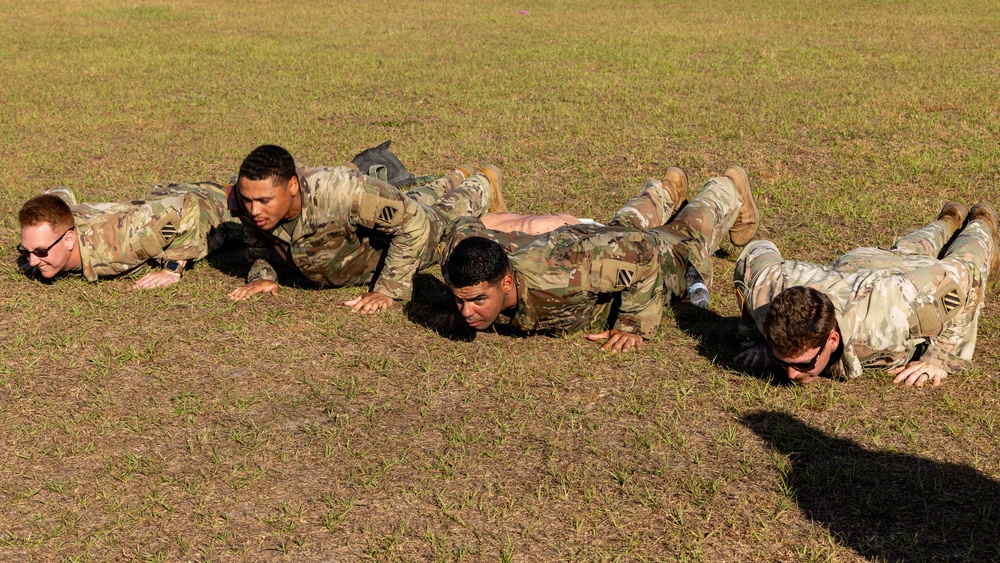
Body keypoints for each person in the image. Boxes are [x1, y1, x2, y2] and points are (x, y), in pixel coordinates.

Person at [439, 166, 760, 351]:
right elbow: (458, 229)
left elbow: (644, 254)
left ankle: (728, 186)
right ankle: (666, 190)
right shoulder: (461, 262)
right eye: (460, 300)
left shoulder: (562, 275)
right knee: (621, 228)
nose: (467, 311)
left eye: (478, 299)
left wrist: (633, 323)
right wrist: (461, 300)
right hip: (597, 244)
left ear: (506, 282)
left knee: (687, 234)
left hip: (652, 257)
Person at [733, 201, 998, 387]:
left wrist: (940, 358)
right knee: (905, 251)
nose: (790, 375)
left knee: (961, 255)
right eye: (783, 362)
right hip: (859, 263)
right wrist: (755, 337)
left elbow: (967, 275)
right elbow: (756, 251)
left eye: (803, 364)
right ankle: (948, 221)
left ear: (832, 340)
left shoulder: (895, 312)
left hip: (902, 281)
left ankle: (980, 221)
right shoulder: (765, 295)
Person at [226, 144, 506, 314]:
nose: (254, 211)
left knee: (439, 216)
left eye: (264, 202)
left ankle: (482, 182)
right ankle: (455, 176)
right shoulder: (250, 195)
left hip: (395, 245)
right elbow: (258, 244)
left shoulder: (343, 193)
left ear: (292, 186)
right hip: (376, 227)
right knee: (409, 203)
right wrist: (262, 276)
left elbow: (414, 225)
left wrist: (388, 289)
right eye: (248, 201)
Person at [17, 182, 240, 288]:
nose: (33, 261)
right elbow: (59, 193)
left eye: (40, 251)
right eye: (27, 252)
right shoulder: (62, 218)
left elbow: (187, 206)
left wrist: (173, 269)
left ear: (68, 240)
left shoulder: (121, 242)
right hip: (161, 199)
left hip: (216, 211)